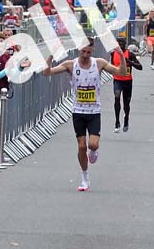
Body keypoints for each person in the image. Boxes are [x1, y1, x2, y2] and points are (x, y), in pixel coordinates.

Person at [42, 36, 127, 192]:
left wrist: (121, 56)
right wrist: (51, 54)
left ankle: (93, 151)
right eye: (83, 51)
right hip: (78, 111)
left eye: (89, 52)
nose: (86, 55)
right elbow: (47, 72)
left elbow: (121, 72)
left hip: (94, 111)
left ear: (92, 50)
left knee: (92, 144)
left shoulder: (99, 63)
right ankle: (84, 177)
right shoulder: (71, 65)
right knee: (81, 146)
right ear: (78, 49)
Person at [111, 36, 142, 133]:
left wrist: (129, 62)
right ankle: (117, 122)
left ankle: (126, 119)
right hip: (117, 80)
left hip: (128, 81)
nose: (120, 44)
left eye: (122, 42)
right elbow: (111, 66)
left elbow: (140, 67)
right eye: (118, 42)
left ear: (125, 43)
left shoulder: (130, 54)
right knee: (117, 97)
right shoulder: (113, 54)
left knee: (126, 104)